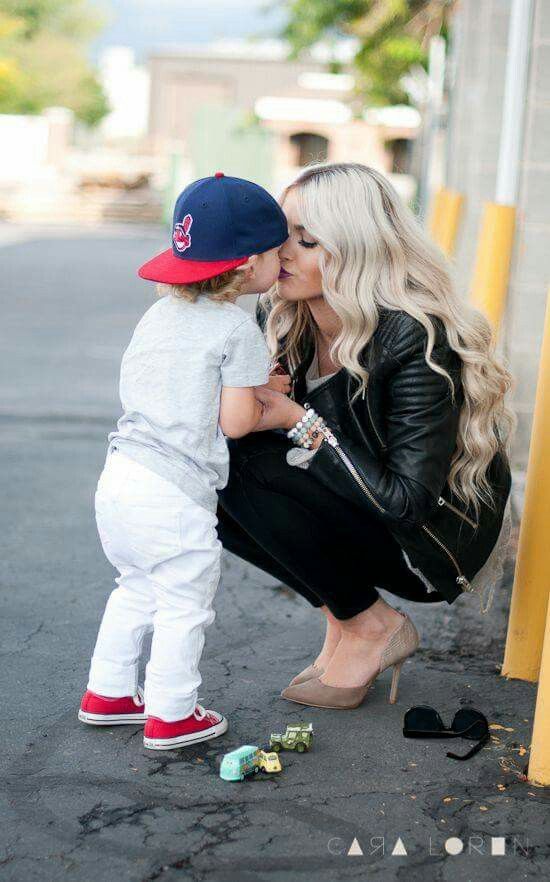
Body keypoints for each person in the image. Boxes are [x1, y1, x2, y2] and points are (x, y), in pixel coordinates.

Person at [216, 162, 514, 710]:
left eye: (305, 241)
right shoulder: (283, 315)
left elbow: (406, 503)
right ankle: (352, 617)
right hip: (361, 504)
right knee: (216, 471)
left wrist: (294, 420)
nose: (281, 253)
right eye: (280, 235)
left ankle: (369, 625)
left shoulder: (417, 338)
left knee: (250, 472)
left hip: (426, 544)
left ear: (358, 249)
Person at [78, 172, 289, 749]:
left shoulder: (160, 315)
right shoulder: (235, 325)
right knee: (184, 604)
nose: (285, 259)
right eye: (278, 251)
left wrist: (247, 385)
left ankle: (110, 693)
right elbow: (238, 421)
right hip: (174, 492)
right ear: (249, 266)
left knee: (135, 588)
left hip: (121, 477)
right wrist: (284, 407)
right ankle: (172, 714)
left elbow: (182, 383)